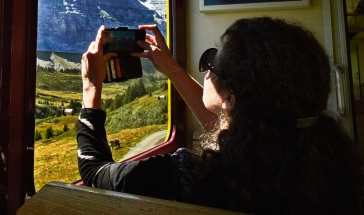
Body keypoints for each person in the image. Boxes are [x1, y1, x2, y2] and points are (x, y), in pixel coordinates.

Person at [77, 17, 362, 214]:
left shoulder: (192, 176)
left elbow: (94, 172)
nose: (206, 68)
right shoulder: (325, 163)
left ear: (230, 96)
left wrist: (91, 88)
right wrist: (172, 69)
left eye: (212, 61)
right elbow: (235, 122)